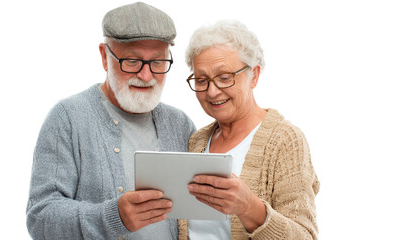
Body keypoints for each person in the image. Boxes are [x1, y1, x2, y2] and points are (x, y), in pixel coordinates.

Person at [26, 2, 195, 240]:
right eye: (132, 61)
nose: (146, 76)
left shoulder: (181, 124)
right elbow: (40, 217)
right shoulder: (67, 118)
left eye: (157, 62)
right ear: (105, 57)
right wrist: (113, 217)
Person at [178, 20, 320, 239]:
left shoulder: (285, 141)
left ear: (254, 75)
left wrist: (251, 209)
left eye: (225, 78)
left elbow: (305, 236)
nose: (212, 91)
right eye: (201, 80)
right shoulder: (196, 141)